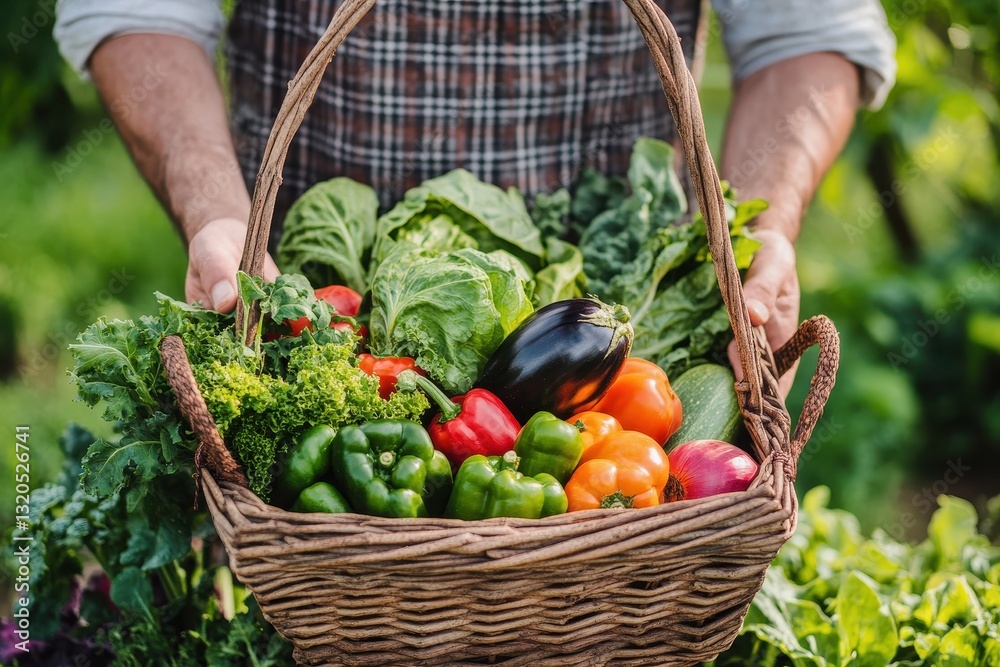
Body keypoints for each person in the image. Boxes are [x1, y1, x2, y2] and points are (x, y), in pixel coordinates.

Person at [55, 0, 895, 393]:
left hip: (618, 346)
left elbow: (808, 34)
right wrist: (218, 215)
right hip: (311, 321)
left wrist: (760, 237)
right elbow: (139, 11)